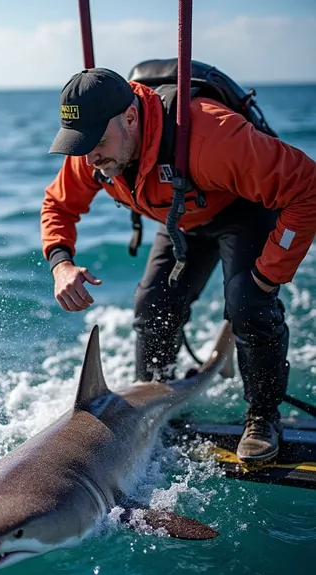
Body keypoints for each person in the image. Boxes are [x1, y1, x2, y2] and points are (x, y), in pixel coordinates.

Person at [40, 67, 316, 463]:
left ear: (131, 118)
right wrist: (61, 263)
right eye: (80, 145)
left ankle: (262, 416)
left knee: (248, 301)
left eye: (97, 142)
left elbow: (307, 187)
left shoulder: (212, 136)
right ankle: (152, 402)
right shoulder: (93, 153)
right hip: (181, 213)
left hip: (240, 208)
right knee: (151, 307)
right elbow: (57, 205)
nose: (90, 157)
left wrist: (268, 274)